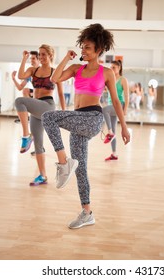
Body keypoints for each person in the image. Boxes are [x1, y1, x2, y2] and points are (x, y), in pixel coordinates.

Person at [41, 23, 130, 229]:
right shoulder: (75, 68)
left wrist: (123, 127)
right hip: (77, 119)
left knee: (48, 117)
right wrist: (66, 58)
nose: (83, 51)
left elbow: (116, 102)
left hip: (92, 118)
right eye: (82, 47)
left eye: (87, 47)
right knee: (81, 169)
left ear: (99, 49)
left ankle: (64, 164)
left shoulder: (107, 72)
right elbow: (54, 78)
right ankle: (87, 212)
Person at [15, 44, 65, 186]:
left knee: (19, 101)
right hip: (36, 107)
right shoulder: (33, 70)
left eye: (44, 54)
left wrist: (64, 111)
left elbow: (60, 93)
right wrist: (24, 59)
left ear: (50, 56)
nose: (41, 57)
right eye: (40, 54)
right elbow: (20, 76)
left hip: (47, 106)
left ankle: (26, 136)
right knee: (38, 144)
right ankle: (42, 176)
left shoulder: (55, 72)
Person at [102, 60, 129, 161]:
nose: (111, 69)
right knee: (113, 130)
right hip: (111, 105)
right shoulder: (110, 79)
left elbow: (127, 96)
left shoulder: (123, 80)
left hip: (119, 105)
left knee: (104, 110)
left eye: (114, 67)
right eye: (111, 67)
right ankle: (114, 154)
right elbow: (104, 89)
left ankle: (109, 133)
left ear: (119, 68)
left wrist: (125, 109)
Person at [12, 51, 39, 123]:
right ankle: (25, 117)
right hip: (35, 95)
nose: (31, 60)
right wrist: (14, 79)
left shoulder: (43, 70)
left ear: (38, 59)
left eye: (33, 58)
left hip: (43, 98)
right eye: (30, 59)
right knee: (25, 90)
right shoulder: (30, 73)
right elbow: (20, 87)